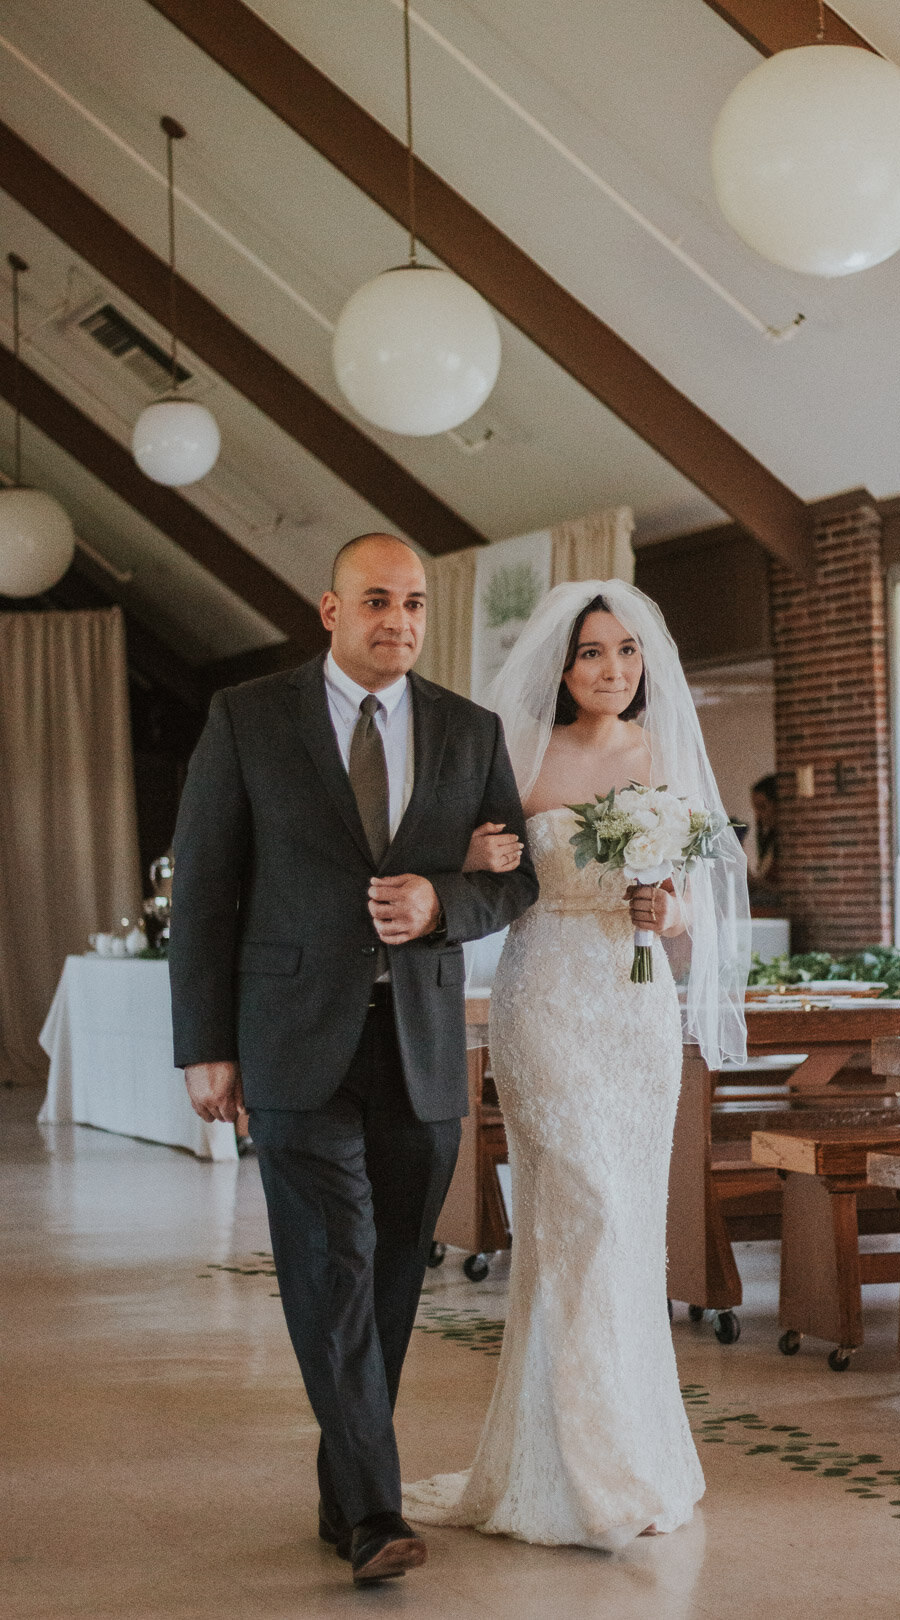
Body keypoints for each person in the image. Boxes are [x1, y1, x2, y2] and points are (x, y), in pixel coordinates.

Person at [169, 535, 538, 1586]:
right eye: (378, 600)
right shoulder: (249, 717)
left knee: (384, 1283)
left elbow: (513, 879)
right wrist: (205, 1045)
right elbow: (205, 889)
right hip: (291, 1041)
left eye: (415, 603)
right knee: (332, 1270)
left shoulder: (469, 731)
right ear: (329, 611)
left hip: (419, 1046)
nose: (401, 621)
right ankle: (377, 1512)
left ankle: (343, 1490)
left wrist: (439, 903)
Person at [405, 579, 748, 1549]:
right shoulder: (518, 752)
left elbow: (690, 906)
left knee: (628, 1221)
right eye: (595, 653)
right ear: (563, 665)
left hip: (637, 1011)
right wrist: (472, 852)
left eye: (628, 653)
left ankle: (621, 1451)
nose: (614, 670)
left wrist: (668, 914)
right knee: (579, 1208)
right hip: (546, 995)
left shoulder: (662, 753)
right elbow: (471, 865)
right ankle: (587, 1471)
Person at [749, 772, 782, 912]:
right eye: (755, 808)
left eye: (762, 807)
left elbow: (784, 891)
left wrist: (754, 881)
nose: (758, 814)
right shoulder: (768, 840)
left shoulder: (788, 843)